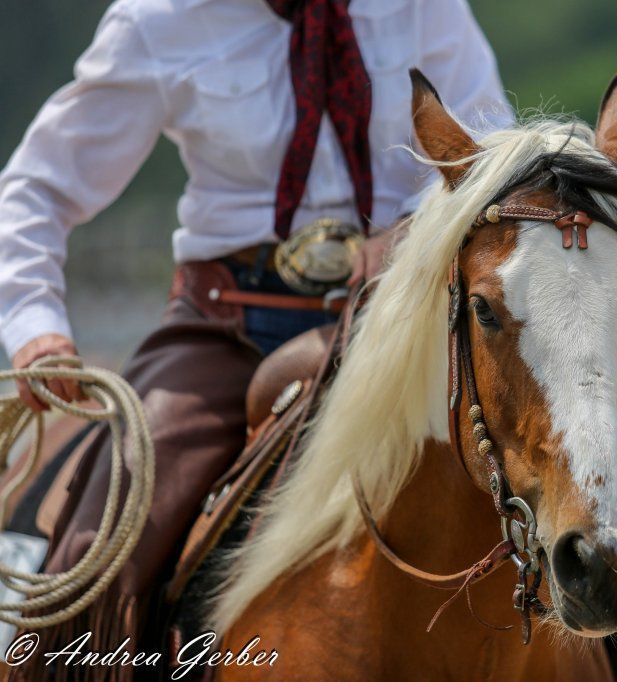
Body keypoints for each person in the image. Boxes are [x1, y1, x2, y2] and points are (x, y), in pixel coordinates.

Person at [0, 0, 511, 655]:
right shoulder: (158, 19)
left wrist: (412, 231)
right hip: (229, 322)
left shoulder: (424, 5)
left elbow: (493, 157)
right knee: (106, 540)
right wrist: (37, 328)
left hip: (405, 323)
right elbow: (36, 188)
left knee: (585, 493)